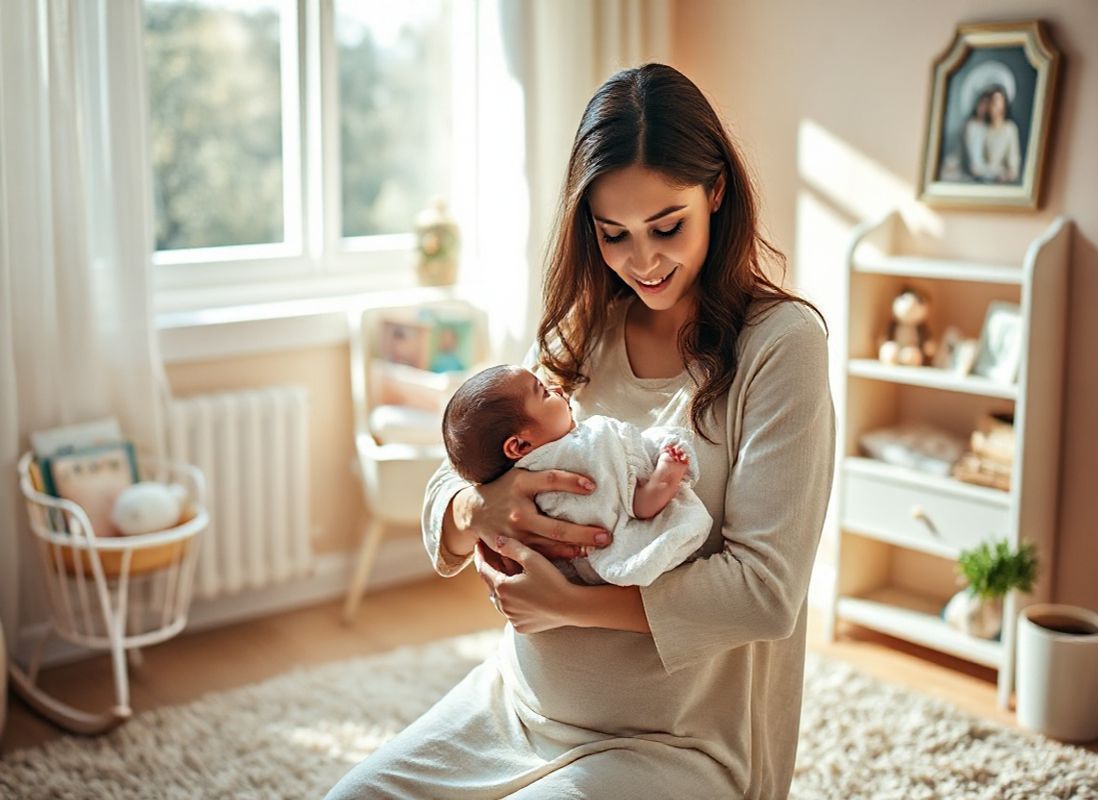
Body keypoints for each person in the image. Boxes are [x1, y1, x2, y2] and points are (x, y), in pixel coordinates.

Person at [325, 63, 835, 800]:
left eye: (668, 227)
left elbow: (764, 592)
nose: (644, 261)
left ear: (716, 192)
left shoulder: (781, 345)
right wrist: (481, 510)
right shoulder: (584, 329)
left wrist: (569, 604)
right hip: (518, 709)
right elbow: (456, 475)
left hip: (677, 744)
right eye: (614, 235)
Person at [441, 363, 712, 587]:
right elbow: (633, 506)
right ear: (521, 446)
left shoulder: (545, 449)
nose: (557, 387)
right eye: (545, 392)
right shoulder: (574, 457)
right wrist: (474, 507)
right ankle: (651, 492)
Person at [965, 86, 1021, 183]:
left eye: (996, 101)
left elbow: (1014, 162)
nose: (993, 105)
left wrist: (1009, 174)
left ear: (1004, 104)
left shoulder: (1010, 129)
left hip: (1002, 183)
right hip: (981, 180)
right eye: (990, 101)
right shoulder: (981, 129)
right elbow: (976, 164)